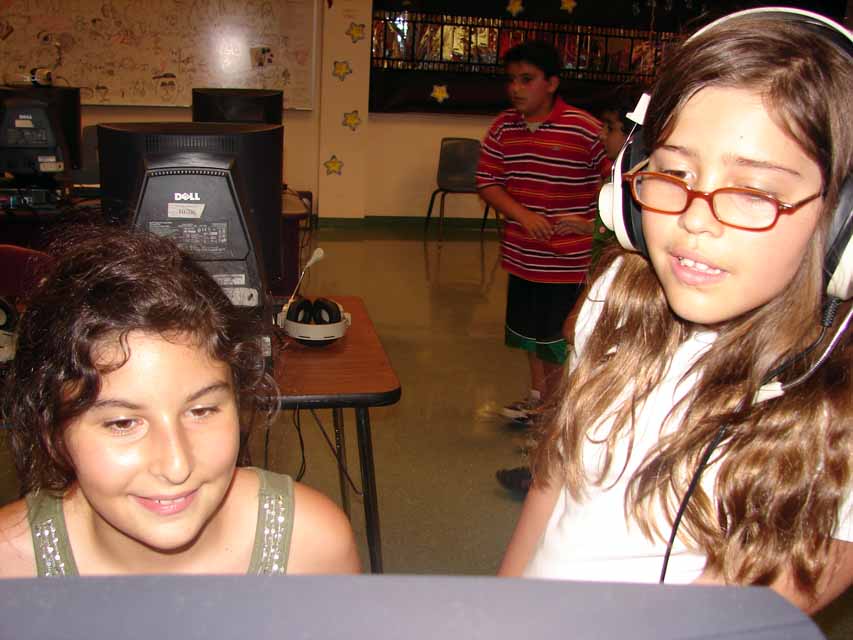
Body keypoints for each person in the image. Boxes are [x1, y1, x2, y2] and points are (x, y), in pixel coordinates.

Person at [498, 8, 853, 614]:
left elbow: (744, 612)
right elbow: (556, 479)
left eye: (753, 191)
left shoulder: (835, 398)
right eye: (674, 173)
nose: (693, 218)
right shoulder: (617, 300)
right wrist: (501, 606)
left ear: (844, 223)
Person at [0, 226, 360, 576]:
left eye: (201, 410)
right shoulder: (10, 565)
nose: (176, 466)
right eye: (123, 423)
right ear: (52, 432)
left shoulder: (312, 546)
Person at [496, 97, 631, 495]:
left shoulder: (632, 183)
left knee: (581, 380)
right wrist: (586, 226)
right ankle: (550, 459)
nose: (602, 135)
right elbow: (607, 236)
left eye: (610, 128)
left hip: (608, 296)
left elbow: (619, 252)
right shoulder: (616, 179)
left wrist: (581, 305)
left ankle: (550, 467)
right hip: (597, 287)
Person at [477, 40, 606, 429]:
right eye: (511, 80)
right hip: (523, 257)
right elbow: (488, 181)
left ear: (551, 83)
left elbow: (613, 183)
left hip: (568, 262)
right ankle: (539, 399)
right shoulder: (504, 127)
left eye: (527, 79)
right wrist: (523, 215)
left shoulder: (584, 128)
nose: (516, 89)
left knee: (559, 340)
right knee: (529, 336)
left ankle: (561, 409)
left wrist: (591, 224)